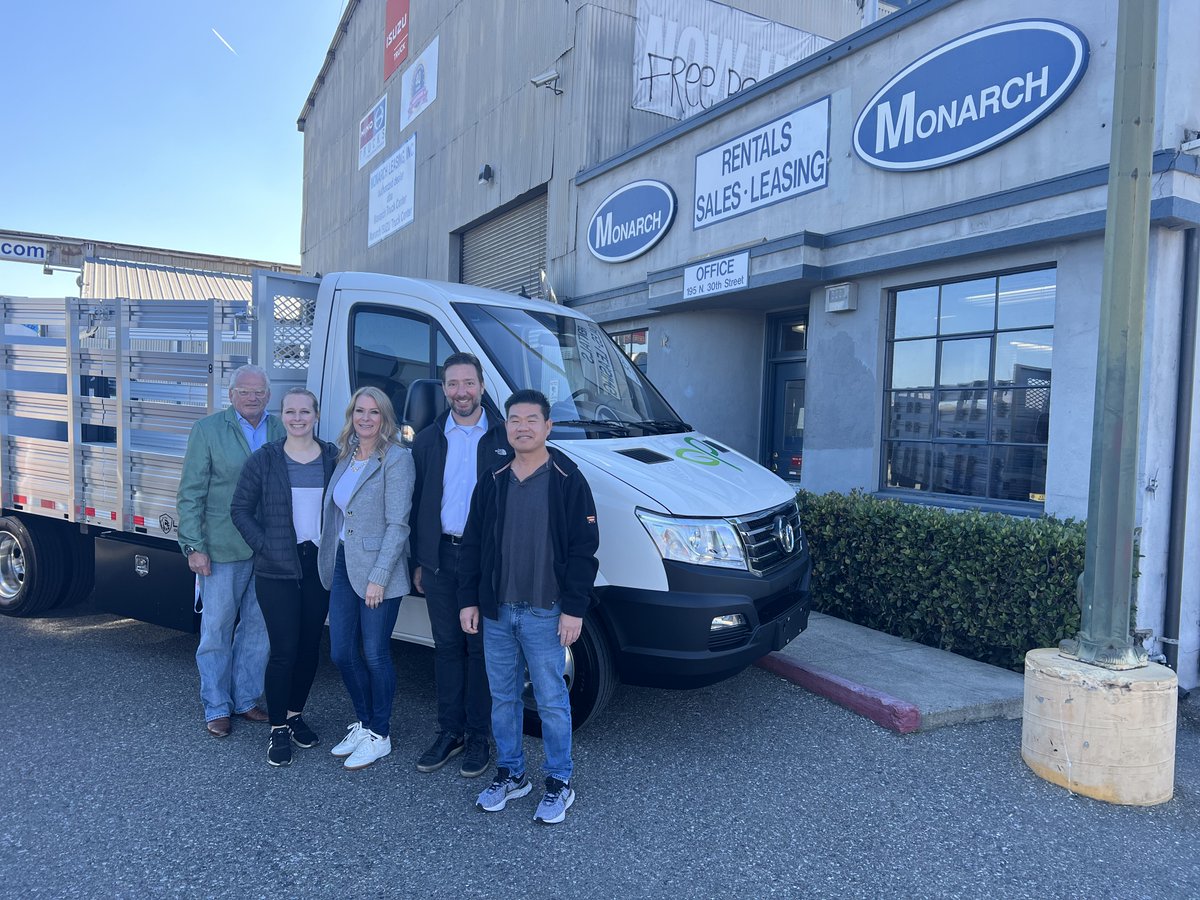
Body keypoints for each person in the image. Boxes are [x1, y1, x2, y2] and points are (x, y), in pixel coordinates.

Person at [458, 389, 600, 825]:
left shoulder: (567, 477)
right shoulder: (495, 476)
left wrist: (574, 609)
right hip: (498, 610)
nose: (522, 427)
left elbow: (584, 549)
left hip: (546, 611)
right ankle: (512, 773)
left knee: (552, 699)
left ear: (547, 426)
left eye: (531, 419)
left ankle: (559, 780)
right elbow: (473, 543)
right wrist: (469, 599)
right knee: (503, 698)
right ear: (507, 427)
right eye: (514, 419)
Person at [410, 353, 512, 778]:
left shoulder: (505, 438)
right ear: (444, 388)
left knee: (480, 650)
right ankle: (449, 732)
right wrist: (419, 559)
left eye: (468, 383)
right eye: (452, 384)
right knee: (447, 647)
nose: (461, 392)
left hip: (486, 562)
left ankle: (477, 737)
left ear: (482, 386)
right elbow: (416, 504)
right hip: (439, 558)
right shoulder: (429, 439)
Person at [230, 388, 338, 767]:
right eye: (290, 411)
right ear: (282, 416)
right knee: (284, 649)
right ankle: (277, 727)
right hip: (277, 568)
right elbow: (240, 509)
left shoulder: (332, 458)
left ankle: (295, 715)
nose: (297, 418)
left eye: (304, 411)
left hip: (318, 564)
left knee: (310, 648)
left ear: (316, 415)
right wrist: (268, 547)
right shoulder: (265, 459)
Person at [177, 364, 284, 738]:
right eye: (245, 391)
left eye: (259, 392)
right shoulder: (207, 430)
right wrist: (193, 546)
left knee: (259, 627)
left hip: (269, 548)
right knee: (217, 629)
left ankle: (247, 699)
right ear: (231, 394)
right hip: (221, 547)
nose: (252, 397)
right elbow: (191, 493)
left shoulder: (280, 429)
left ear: (268, 395)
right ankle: (217, 705)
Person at [317, 387, 415, 771]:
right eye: (360, 411)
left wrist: (379, 576)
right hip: (344, 561)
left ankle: (380, 733)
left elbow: (398, 523)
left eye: (374, 412)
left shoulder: (396, 458)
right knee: (341, 651)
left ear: (385, 418)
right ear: (351, 415)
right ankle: (364, 722)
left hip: (380, 570)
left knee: (374, 653)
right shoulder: (346, 455)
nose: (366, 418)